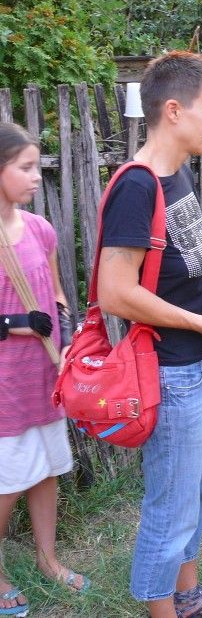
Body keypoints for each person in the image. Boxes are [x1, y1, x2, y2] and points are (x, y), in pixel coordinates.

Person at [96, 52, 202, 618]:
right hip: (173, 371)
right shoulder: (137, 187)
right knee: (171, 508)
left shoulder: (178, 174)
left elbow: (173, 254)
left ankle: (187, 598)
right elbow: (115, 292)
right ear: (173, 111)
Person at [0, 123, 88, 618]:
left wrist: (68, 335)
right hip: (4, 385)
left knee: (48, 470)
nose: (37, 176)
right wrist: (13, 324)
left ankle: (47, 558)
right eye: (26, 167)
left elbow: (55, 294)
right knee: (7, 481)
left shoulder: (39, 229)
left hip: (45, 374)